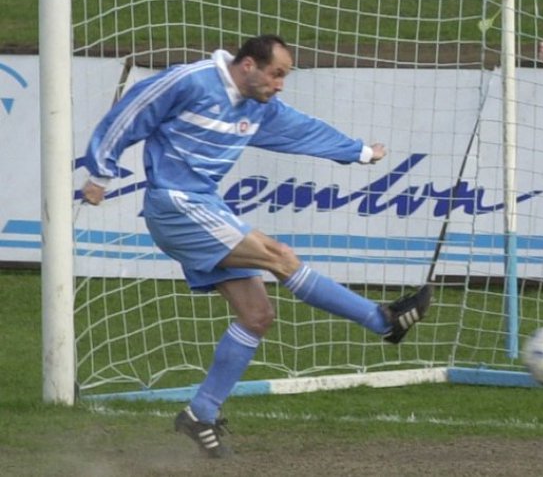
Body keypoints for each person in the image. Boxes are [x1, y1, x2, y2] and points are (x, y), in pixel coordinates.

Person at [80, 34, 432, 458]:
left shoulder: (258, 108)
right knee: (280, 257)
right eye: (277, 73)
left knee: (257, 315)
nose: (280, 84)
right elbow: (132, 111)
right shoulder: (190, 80)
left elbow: (302, 129)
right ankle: (384, 321)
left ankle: (199, 413)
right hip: (174, 204)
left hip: (205, 206)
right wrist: (100, 173)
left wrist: (358, 152)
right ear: (248, 65)